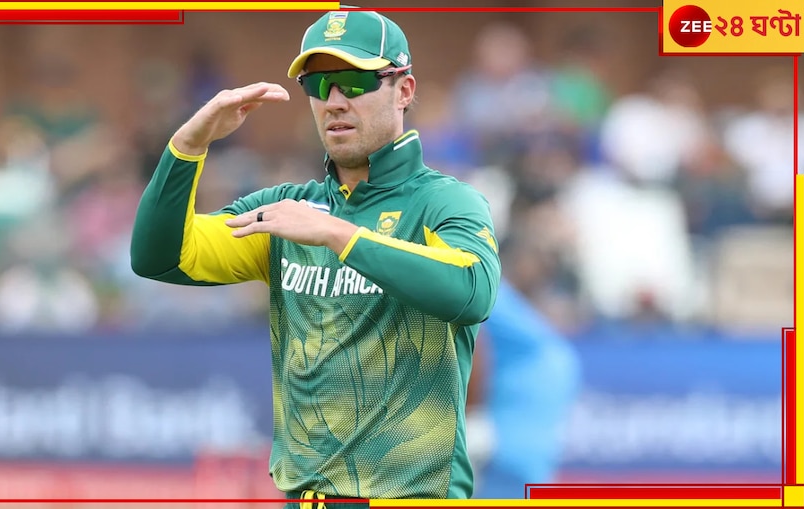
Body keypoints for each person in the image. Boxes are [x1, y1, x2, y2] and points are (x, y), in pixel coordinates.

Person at [130, 8, 501, 504]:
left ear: (404, 90)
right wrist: (187, 145)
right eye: (319, 84)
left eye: (355, 81)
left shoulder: (445, 202)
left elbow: (473, 292)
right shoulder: (287, 210)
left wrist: (337, 234)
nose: (334, 101)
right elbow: (158, 257)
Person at [469, 278, 581, 499]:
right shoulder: (542, 349)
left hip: (512, 465)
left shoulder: (539, 347)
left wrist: (474, 416)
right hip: (509, 464)